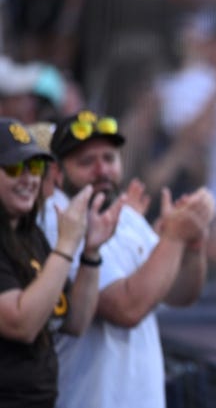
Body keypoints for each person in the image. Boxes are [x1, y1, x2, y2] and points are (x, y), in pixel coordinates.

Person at [39, 109, 216, 408]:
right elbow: (126, 308)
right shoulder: (56, 218)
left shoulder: (126, 216)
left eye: (109, 158)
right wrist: (172, 237)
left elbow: (179, 294)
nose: (102, 170)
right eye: (86, 162)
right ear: (56, 172)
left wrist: (192, 242)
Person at [0, 117, 121, 408]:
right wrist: (66, 245)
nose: (29, 178)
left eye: (36, 167)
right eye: (15, 168)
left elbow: (75, 321)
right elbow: (21, 324)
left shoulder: (31, 236)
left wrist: (90, 252)